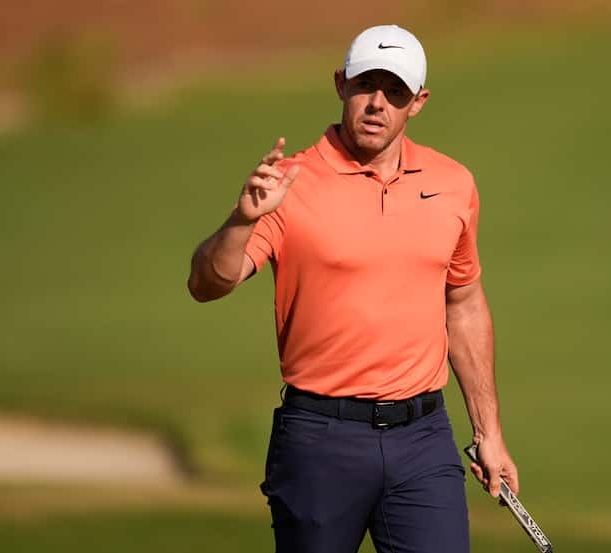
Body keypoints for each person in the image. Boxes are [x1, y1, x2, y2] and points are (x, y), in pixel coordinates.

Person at [188, 24, 518, 553]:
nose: (377, 104)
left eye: (395, 93)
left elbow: (464, 301)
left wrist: (490, 432)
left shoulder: (454, 184)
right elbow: (206, 285)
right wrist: (240, 221)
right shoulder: (288, 184)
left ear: (418, 103)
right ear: (341, 84)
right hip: (321, 438)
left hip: (423, 437)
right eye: (366, 85)